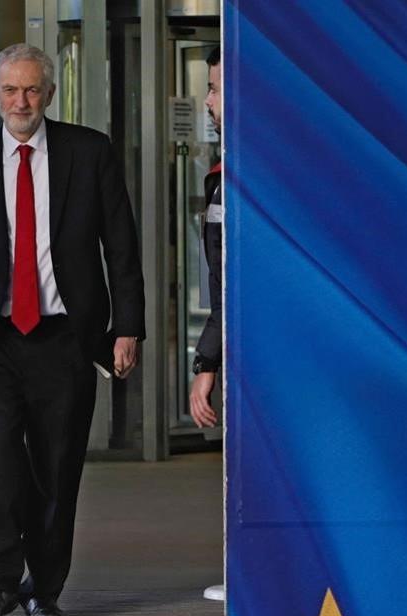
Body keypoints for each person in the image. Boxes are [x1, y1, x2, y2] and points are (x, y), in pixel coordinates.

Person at [0, 43, 145, 616]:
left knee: (57, 467)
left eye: (31, 90)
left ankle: (44, 589)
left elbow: (121, 246)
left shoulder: (88, 151)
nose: (21, 101)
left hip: (65, 337)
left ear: (49, 93)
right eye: (9, 90)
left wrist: (126, 326)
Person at [189, 46, 222, 430]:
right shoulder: (221, 176)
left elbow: (228, 286)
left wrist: (207, 361)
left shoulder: (241, 180)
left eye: (214, 89)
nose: (208, 101)